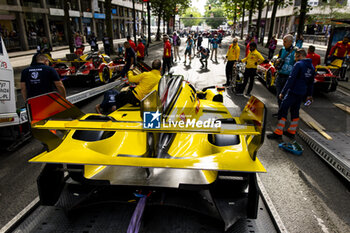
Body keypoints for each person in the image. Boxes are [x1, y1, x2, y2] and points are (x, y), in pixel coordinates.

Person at [267, 49, 315, 140]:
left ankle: (278, 132)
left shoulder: (298, 64)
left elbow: (291, 79)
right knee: (295, 111)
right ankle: (291, 131)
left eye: (295, 56)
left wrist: (283, 92)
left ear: (299, 55)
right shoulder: (311, 67)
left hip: (293, 91)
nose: (295, 59)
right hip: (302, 93)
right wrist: (309, 95)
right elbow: (311, 83)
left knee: (283, 110)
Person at [273, 34, 297, 115]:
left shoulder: (296, 51)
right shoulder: (282, 50)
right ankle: (280, 111)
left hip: (289, 78)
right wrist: (277, 61)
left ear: (291, 42)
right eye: (283, 41)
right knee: (278, 95)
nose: (283, 43)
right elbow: (277, 59)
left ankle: (284, 113)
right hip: (280, 75)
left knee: (286, 97)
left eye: (285, 42)